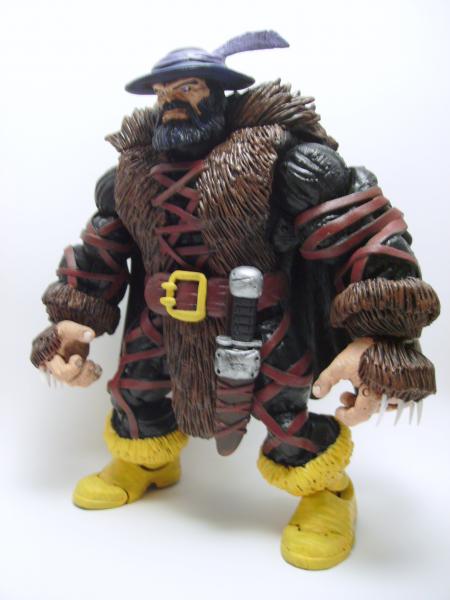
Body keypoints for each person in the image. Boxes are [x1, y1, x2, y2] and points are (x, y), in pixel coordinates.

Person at [30, 31, 439, 570]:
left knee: (284, 409)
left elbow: (363, 234)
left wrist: (378, 336)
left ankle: (326, 491)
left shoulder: (282, 158)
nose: (172, 100)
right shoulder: (131, 173)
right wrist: (72, 319)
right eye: (163, 92)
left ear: (219, 92)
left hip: (259, 319)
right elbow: (102, 247)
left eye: (188, 87)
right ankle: (147, 462)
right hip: (160, 319)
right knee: (135, 391)